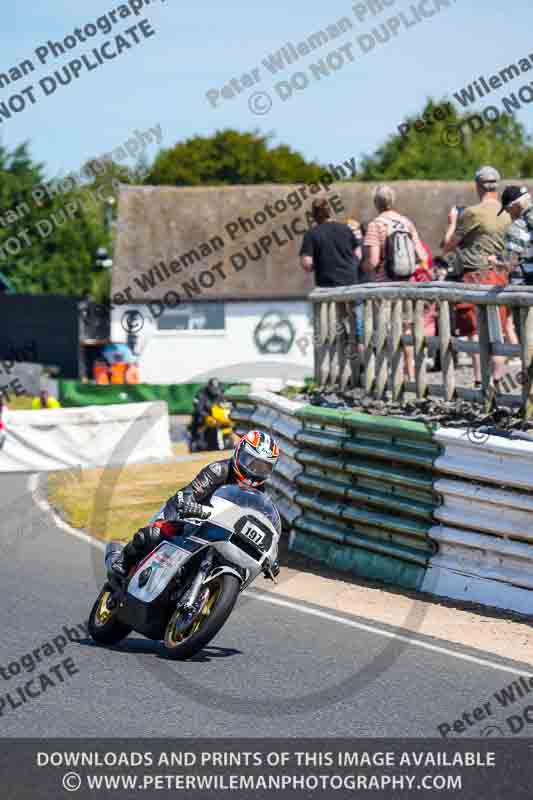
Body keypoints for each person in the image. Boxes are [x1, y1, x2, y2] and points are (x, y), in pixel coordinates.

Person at [110, 430, 281, 580]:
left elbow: (262, 524)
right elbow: (188, 493)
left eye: (262, 468)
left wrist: (271, 556)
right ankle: (123, 561)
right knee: (155, 533)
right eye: (251, 462)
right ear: (238, 453)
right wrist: (189, 505)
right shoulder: (218, 470)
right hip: (190, 515)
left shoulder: (260, 494)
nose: (255, 471)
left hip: (220, 530)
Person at [441, 165, 511, 386]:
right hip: (501, 275)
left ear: (477, 186)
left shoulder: (472, 213)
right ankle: (498, 378)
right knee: (497, 329)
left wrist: (453, 222)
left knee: (474, 330)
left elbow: (447, 246)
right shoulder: (508, 212)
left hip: (474, 276)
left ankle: (481, 379)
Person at [361, 185, 427, 381]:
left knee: (385, 330)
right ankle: (411, 374)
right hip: (407, 285)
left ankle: (391, 375)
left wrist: (363, 266)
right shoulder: (406, 223)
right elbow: (421, 255)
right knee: (407, 329)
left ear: (376, 203)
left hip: (384, 287)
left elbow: (372, 261)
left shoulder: (375, 225)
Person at [300, 197, 361, 288]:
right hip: (350, 283)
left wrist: (320, 265)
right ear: (329, 212)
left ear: (313, 215)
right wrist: (350, 265)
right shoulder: (346, 229)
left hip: (327, 286)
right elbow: (358, 253)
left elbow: (307, 264)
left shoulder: (311, 234)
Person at [190, 378, 224, 443]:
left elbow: (224, 404)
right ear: (209, 387)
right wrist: (207, 415)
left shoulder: (220, 393)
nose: (215, 390)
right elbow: (198, 408)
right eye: (213, 388)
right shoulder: (201, 393)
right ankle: (196, 438)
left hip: (216, 415)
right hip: (204, 414)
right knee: (198, 418)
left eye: (216, 388)